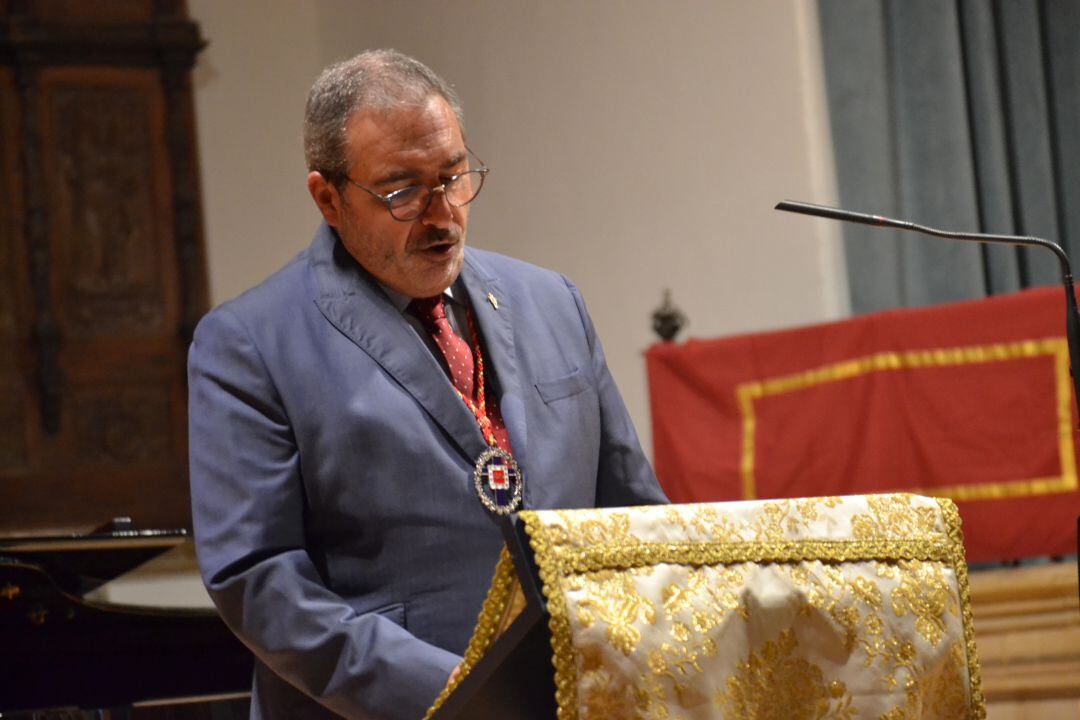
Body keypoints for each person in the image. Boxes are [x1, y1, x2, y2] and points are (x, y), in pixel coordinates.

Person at [188, 49, 667, 720]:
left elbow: (634, 517)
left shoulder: (552, 301)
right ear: (328, 197)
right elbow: (261, 581)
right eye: (402, 189)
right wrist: (462, 696)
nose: (442, 213)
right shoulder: (250, 344)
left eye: (453, 175)